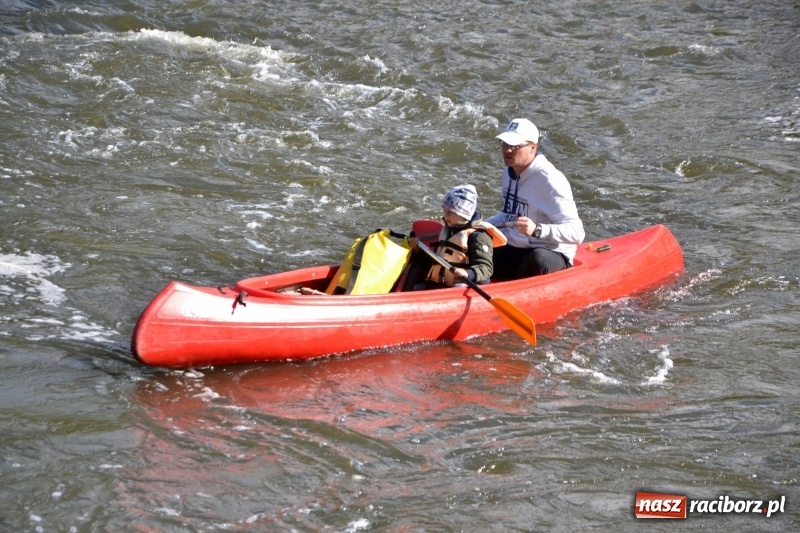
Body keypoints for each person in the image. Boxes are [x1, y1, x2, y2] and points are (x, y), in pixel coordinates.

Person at [486, 118, 585, 280]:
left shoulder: (549, 180)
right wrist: (481, 226)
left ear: (533, 148)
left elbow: (577, 232)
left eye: (514, 146)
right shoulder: (509, 171)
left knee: (538, 260)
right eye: (504, 144)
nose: (507, 150)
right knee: (477, 243)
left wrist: (537, 229)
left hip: (549, 253)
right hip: (518, 248)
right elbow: (508, 215)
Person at [403, 184, 505, 291]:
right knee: (416, 268)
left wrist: (467, 273)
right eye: (445, 210)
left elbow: (485, 268)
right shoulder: (448, 231)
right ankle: (404, 294)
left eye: (451, 212)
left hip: (465, 284)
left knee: (459, 286)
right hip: (442, 283)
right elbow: (436, 259)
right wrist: (417, 249)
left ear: (464, 213)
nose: (446, 216)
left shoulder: (479, 236)